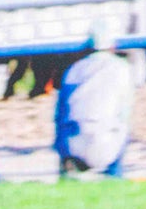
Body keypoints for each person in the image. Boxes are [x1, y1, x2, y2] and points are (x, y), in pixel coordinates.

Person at [55, 21, 134, 177]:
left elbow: (61, 112)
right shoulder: (122, 69)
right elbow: (124, 110)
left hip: (74, 140)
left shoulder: (74, 69)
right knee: (121, 126)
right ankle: (114, 177)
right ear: (112, 46)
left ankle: (68, 173)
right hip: (109, 139)